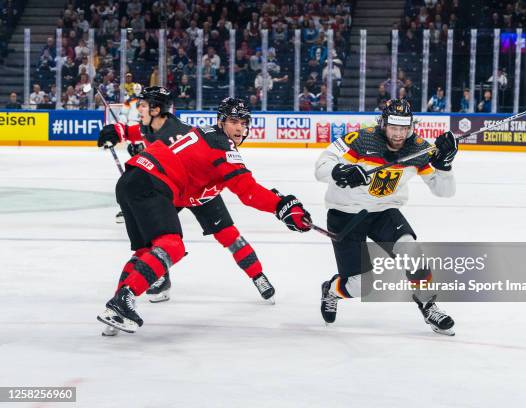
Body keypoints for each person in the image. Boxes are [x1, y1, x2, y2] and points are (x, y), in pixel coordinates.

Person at [97, 90, 312, 334]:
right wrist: (281, 205)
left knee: (148, 250)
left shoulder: (202, 133)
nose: (240, 128)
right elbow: (248, 191)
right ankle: (123, 301)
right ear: (221, 122)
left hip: (135, 180)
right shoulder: (223, 144)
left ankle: (115, 308)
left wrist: (277, 202)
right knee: (172, 245)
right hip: (157, 184)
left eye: (244, 122)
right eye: (233, 121)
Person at [314, 99, 458, 336]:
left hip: (384, 211)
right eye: (394, 127)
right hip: (345, 213)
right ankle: (331, 290)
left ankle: (428, 305)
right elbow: (321, 167)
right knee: (361, 287)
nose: (399, 134)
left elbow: (444, 192)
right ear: (383, 124)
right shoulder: (359, 140)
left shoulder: (419, 149)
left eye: (404, 128)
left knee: (412, 253)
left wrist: (445, 166)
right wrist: (340, 170)